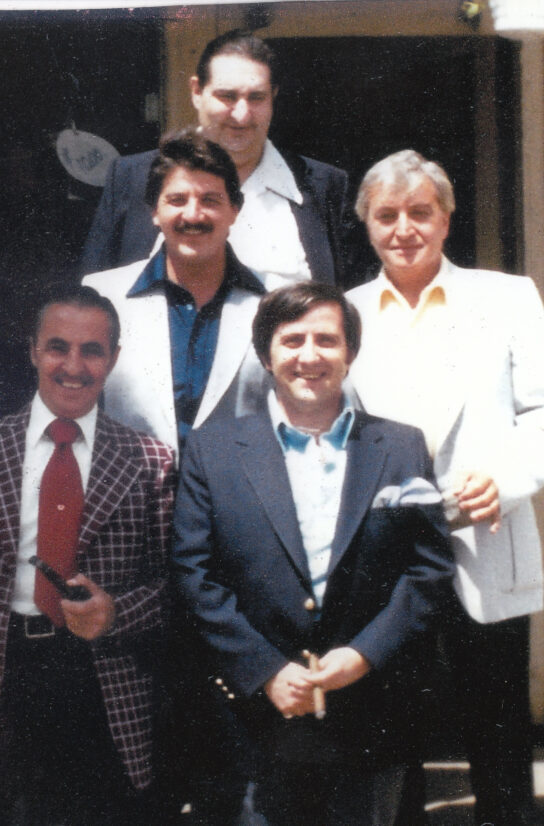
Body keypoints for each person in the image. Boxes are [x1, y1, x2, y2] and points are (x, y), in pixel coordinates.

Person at [345, 149, 544, 826]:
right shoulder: (348, 312)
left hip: (485, 537)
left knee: (497, 727)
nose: (404, 229)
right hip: (388, 555)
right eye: (387, 215)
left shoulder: (505, 298)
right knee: (395, 731)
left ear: (446, 219)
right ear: (367, 225)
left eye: (420, 212)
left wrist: (503, 479)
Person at [172, 282, 454, 826]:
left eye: (326, 340)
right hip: (257, 719)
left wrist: (365, 654)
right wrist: (265, 669)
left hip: (370, 715)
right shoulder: (214, 450)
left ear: (350, 352)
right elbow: (193, 571)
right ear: (265, 354)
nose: (309, 356)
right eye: (292, 340)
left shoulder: (401, 446)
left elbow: (429, 568)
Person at [0, 283, 176, 826]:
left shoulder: (150, 461)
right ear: (32, 351)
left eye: (91, 351)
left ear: (113, 358)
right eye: (57, 347)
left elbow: (175, 590)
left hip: (99, 690)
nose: (73, 366)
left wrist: (116, 613)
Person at [81, 30, 369, 289]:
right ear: (197, 92)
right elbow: (92, 299)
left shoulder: (324, 187)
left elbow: (351, 302)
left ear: (273, 96)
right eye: (227, 96)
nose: (241, 115)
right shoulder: (133, 177)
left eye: (256, 97)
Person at [83, 128, 267, 454]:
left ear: (235, 211)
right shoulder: (101, 296)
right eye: (177, 200)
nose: (193, 215)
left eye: (210, 200)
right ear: (154, 211)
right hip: (132, 484)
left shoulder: (274, 301)